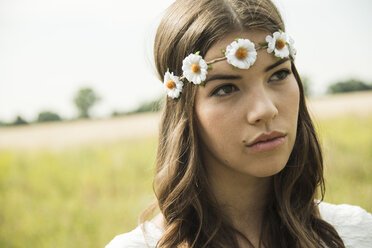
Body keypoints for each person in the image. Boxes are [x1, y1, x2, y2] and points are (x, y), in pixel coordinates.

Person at [106, 0, 372, 247]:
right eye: (225, 89)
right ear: (185, 111)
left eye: (279, 74)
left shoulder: (356, 232)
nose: (265, 110)